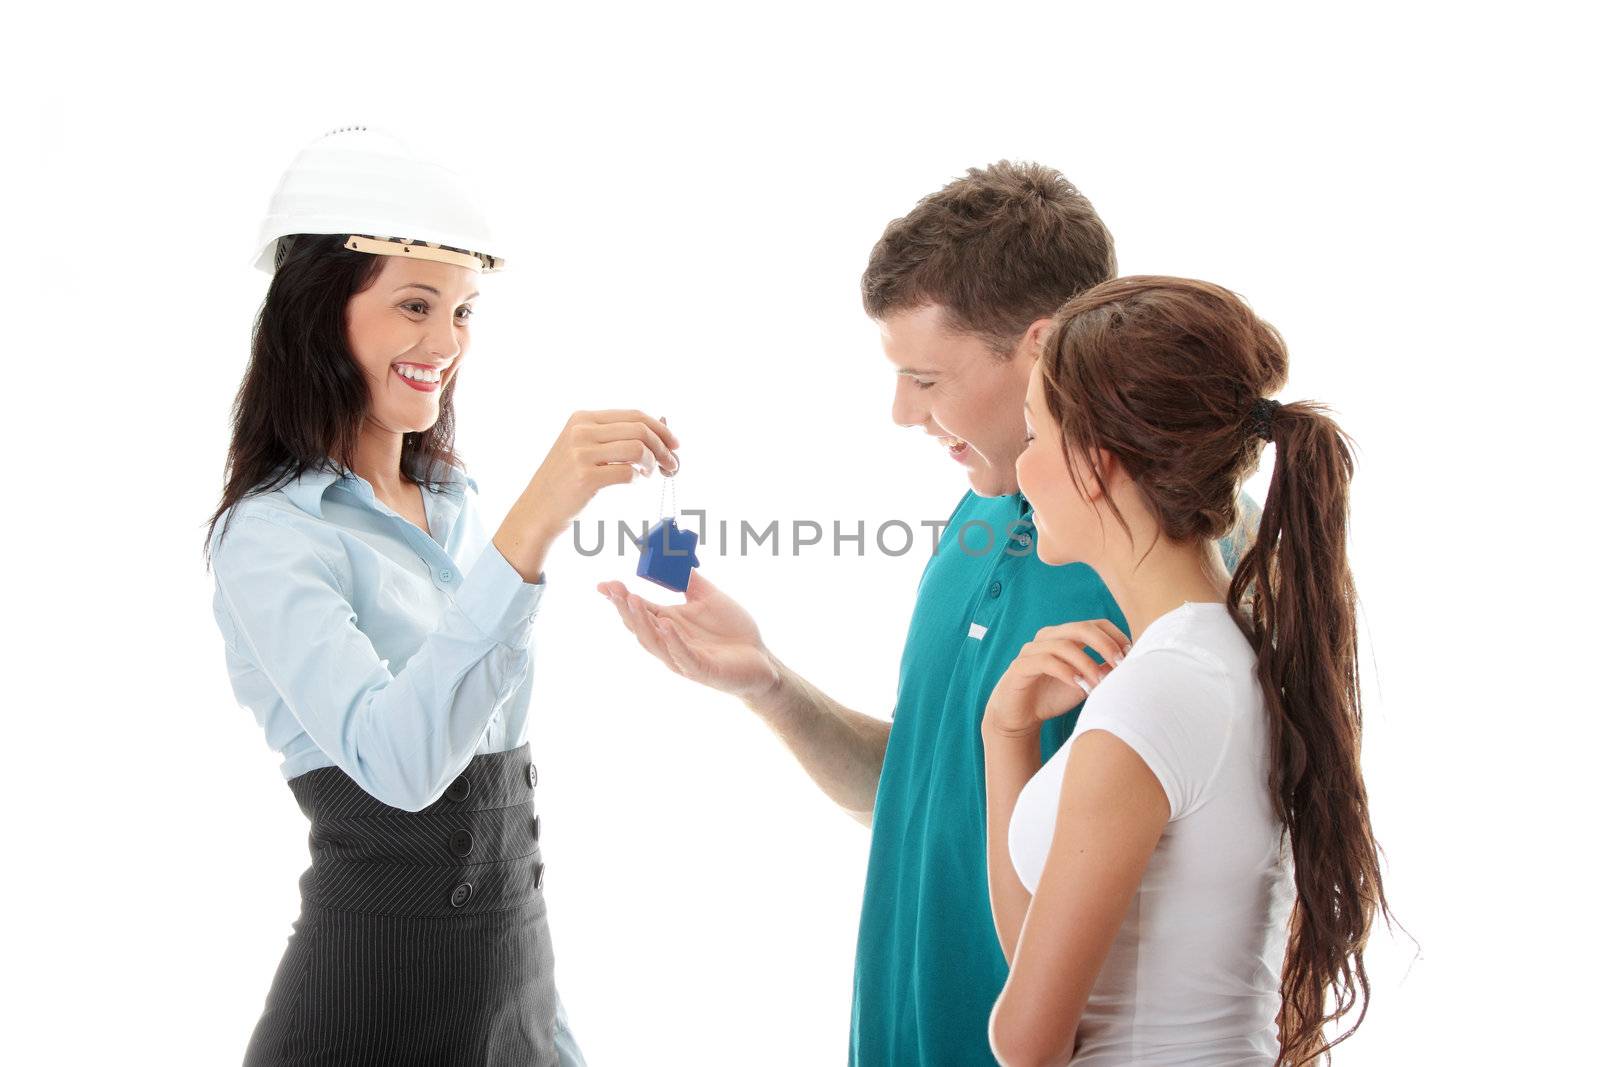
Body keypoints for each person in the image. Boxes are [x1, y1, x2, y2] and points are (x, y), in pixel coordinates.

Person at [597, 163, 1259, 1064]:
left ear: (1038, 347)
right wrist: (772, 686)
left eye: (926, 377)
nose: (902, 411)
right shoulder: (979, 518)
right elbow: (921, 789)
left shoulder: (1199, 559)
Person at [203, 127, 679, 1066]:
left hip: (511, 999)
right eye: (415, 305)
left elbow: (503, 860)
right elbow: (403, 763)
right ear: (318, 314)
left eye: (463, 312)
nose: (446, 342)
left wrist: (547, 1029)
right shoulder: (270, 537)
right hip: (363, 1012)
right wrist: (534, 527)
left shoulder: (456, 510)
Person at [984, 276, 1392, 1065]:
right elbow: (1042, 968)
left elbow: (1028, 1039)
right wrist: (1005, 734)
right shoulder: (1236, 660)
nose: (1020, 467)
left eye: (1034, 437)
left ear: (1097, 464)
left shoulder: (1153, 698)